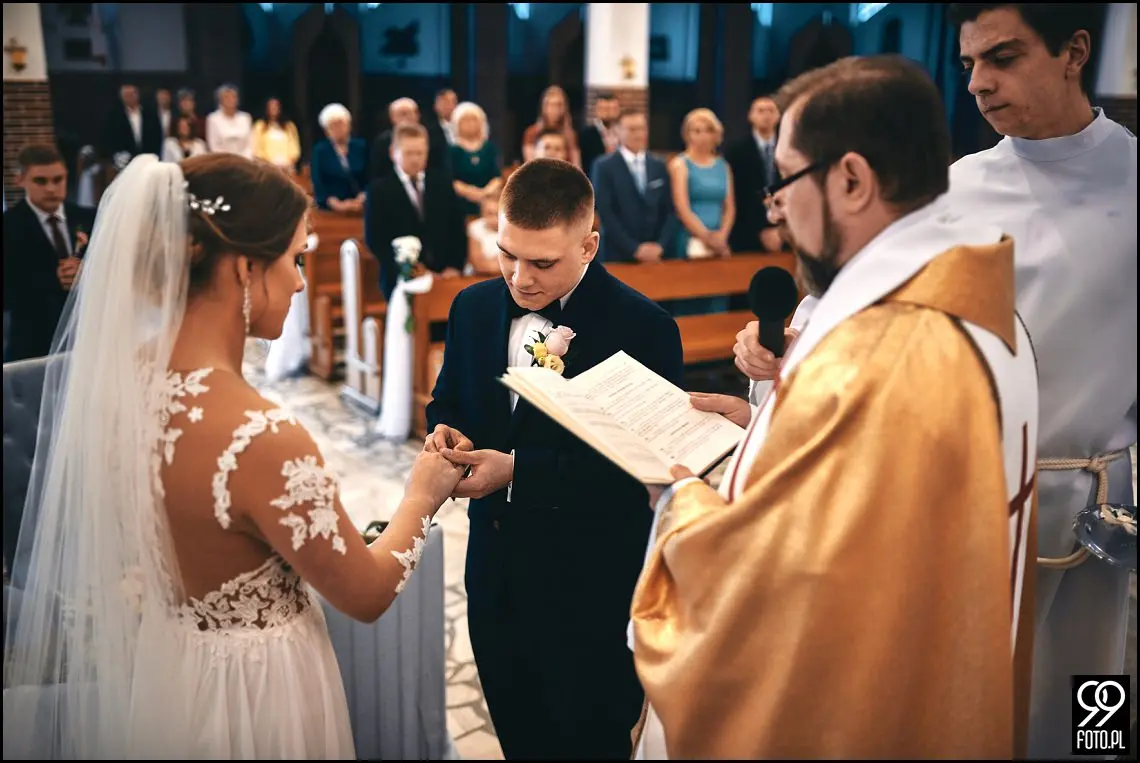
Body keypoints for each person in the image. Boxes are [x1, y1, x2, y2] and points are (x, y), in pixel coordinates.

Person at [629, 55, 1040, 759]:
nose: (776, 206)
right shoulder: (984, 307)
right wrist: (766, 425)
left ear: (851, 179)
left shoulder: (871, 363)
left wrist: (680, 501)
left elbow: (772, 608)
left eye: (784, 180)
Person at [2, 153, 465, 758]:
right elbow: (366, 592)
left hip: (167, 670)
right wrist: (422, 493)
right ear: (246, 268)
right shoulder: (259, 437)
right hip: (255, 697)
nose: (302, 280)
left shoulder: (120, 388)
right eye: (295, 258)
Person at [425, 158, 684, 760]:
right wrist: (445, 433)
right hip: (493, 579)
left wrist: (519, 473)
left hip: (587, 593)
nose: (520, 278)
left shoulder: (645, 329)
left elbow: (645, 478)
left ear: (590, 244)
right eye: (506, 254)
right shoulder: (473, 308)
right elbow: (449, 399)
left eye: (542, 262)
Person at [947, 5, 1137, 759]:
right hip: (985, 498)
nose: (978, 84)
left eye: (1002, 58)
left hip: (1103, 505)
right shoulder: (960, 187)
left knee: (1094, 703)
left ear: (1074, 52)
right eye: (968, 66)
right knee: (981, 705)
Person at [2, 144, 96, 363]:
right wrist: (52, 279)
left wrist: (86, 272)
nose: (51, 188)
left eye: (58, 179)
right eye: (41, 181)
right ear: (20, 180)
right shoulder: (8, 227)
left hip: (86, 338)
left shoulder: (89, 218)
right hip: (33, 345)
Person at [592, 110, 680, 264]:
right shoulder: (604, 166)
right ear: (618, 131)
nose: (638, 134)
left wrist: (660, 246)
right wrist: (634, 249)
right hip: (618, 256)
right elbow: (606, 213)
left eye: (642, 128)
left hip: (657, 256)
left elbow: (670, 211)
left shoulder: (659, 165)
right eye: (632, 129)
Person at [310, 102, 370, 213]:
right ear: (326, 130)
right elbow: (317, 181)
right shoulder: (320, 150)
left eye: (341, 124)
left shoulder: (360, 146)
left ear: (349, 125)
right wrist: (335, 203)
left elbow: (371, 176)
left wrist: (363, 197)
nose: (338, 129)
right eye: (332, 126)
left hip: (362, 206)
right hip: (331, 208)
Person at [251, 97, 302, 174]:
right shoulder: (259, 126)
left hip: (287, 169)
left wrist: (287, 165)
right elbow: (257, 150)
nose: (274, 108)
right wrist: (272, 166)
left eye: (276, 106)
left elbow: (295, 149)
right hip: (267, 170)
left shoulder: (290, 126)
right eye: (271, 106)